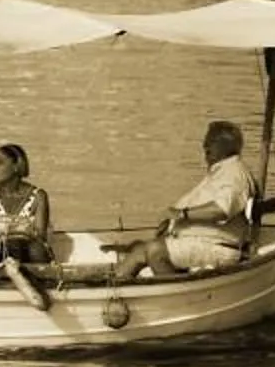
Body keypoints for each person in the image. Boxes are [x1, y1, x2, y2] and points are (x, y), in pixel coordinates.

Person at [110, 120, 257, 281]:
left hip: (218, 247)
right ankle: (109, 288)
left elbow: (221, 210)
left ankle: (177, 293)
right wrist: (170, 223)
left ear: (225, 145)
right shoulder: (220, 172)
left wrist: (181, 214)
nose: (205, 146)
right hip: (198, 241)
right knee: (139, 251)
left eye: (210, 141)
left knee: (155, 251)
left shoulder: (234, 173)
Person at [0, 143, 54, 309]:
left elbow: (40, 235)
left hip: (27, 255)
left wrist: (16, 237)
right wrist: (6, 240)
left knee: (33, 247)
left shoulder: (39, 196)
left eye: (0, 162)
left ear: (16, 167)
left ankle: (36, 286)